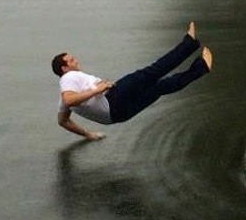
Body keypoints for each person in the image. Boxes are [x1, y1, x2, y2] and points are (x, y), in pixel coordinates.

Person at [52, 21, 213, 140]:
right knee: (154, 71)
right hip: (113, 98)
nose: (76, 61)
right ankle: (189, 43)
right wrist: (97, 90)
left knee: (160, 87)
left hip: (117, 117)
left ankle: (201, 68)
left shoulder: (63, 100)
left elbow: (63, 122)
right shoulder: (68, 77)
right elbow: (69, 99)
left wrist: (88, 134)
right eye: (71, 60)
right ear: (64, 68)